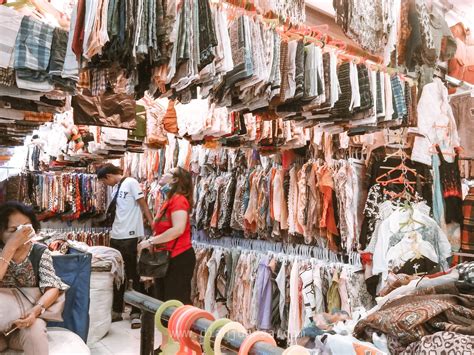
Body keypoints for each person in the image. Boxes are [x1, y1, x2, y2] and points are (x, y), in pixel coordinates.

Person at [0, 202, 69, 355]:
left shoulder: (39, 251)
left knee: (35, 329)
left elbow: (52, 287)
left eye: (26, 228)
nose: (21, 234)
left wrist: (35, 311)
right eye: (13, 230)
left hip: (26, 319)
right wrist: (10, 248)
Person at [97, 164, 154, 329]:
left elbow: (143, 204)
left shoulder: (131, 182)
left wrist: (152, 223)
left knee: (134, 274)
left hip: (130, 235)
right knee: (118, 275)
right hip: (116, 236)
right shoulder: (115, 189)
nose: (104, 185)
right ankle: (117, 310)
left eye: (103, 181)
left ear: (108, 176)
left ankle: (136, 312)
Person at [138, 167, 196, 304]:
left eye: (168, 172)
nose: (163, 173)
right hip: (166, 257)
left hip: (178, 257)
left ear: (175, 179)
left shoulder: (179, 200)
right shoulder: (169, 200)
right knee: (164, 302)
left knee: (175, 302)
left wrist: (151, 241)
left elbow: (178, 229)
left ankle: (180, 326)